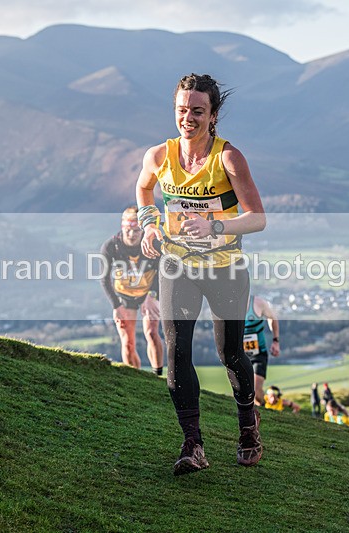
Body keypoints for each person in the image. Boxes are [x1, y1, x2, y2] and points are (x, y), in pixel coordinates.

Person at [136, 73, 266, 475]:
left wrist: (217, 227)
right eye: (181, 110)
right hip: (177, 265)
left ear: (213, 115)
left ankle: (248, 429)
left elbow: (257, 218)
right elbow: (143, 190)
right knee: (176, 351)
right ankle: (193, 444)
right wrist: (149, 224)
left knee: (230, 353)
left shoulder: (228, 158)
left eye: (197, 111)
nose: (187, 118)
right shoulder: (159, 156)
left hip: (225, 268)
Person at [99, 207, 164, 373]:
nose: (131, 235)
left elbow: (163, 272)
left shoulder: (154, 243)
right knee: (127, 342)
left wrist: (153, 296)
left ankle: (157, 376)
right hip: (123, 297)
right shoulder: (111, 246)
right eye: (128, 230)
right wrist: (116, 306)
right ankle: (135, 380)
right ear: (122, 228)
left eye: (136, 230)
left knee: (151, 333)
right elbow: (104, 279)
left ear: (142, 229)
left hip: (148, 293)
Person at [243, 293, 281, 406]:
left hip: (258, 354)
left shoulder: (258, 303)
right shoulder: (229, 304)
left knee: (256, 391)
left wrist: (275, 341)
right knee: (243, 390)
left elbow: (273, 317)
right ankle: (250, 415)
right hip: (240, 354)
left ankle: (262, 406)